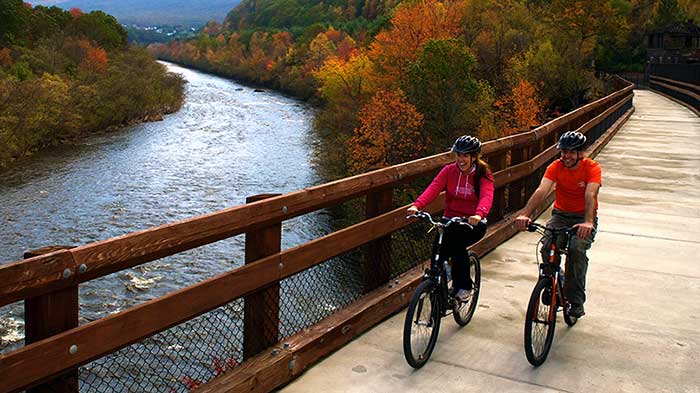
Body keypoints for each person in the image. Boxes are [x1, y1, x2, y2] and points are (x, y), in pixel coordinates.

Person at [515, 131, 601, 318]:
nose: (566, 156)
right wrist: (525, 214)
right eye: (563, 152)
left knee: (577, 250)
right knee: (547, 246)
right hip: (560, 215)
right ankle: (553, 279)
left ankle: (576, 300)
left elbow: (590, 195)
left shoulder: (591, 167)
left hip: (582, 217)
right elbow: (542, 190)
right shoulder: (555, 166)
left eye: (571, 152)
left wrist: (588, 221)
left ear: (580, 153)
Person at [407, 135, 494, 302]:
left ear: (474, 157)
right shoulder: (449, 171)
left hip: (473, 223)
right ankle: (436, 284)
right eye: (458, 155)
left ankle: (464, 286)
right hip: (450, 219)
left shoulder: (483, 174)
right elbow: (433, 189)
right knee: (437, 251)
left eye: (465, 156)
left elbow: (487, 196)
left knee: (456, 246)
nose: (461, 159)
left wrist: (478, 214)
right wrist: (417, 205)